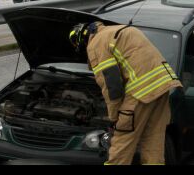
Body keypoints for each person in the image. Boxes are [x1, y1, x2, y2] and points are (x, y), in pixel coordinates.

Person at [69, 21, 182, 165]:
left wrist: (114, 117)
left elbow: (112, 85)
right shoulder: (117, 31)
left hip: (140, 91)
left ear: (82, 40)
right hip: (163, 86)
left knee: (121, 145)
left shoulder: (96, 43)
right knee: (153, 142)